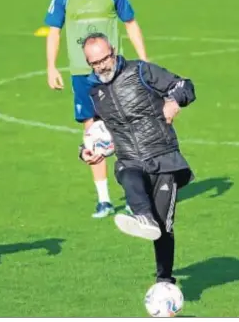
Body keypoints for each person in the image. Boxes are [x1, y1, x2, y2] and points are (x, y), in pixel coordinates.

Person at [78, 32, 196, 285]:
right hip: (129, 158)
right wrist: (85, 150)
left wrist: (175, 101)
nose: (101, 66)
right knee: (127, 173)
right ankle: (142, 215)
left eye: (104, 59)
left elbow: (184, 85)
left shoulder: (141, 71)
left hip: (163, 157)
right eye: (94, 63)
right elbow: (96, 128)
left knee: (163, 227)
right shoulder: (92, 90)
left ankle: (164, 279)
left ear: (113, 51)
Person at [44, 0, 149, 218]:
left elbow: (131, 23)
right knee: (93, 134)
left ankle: (132, 195)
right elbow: (54, 31)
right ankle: (103, 199)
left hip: (115, 72)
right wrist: (52, 67)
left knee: (127, 129)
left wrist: (144, 59)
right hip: (82, 74)